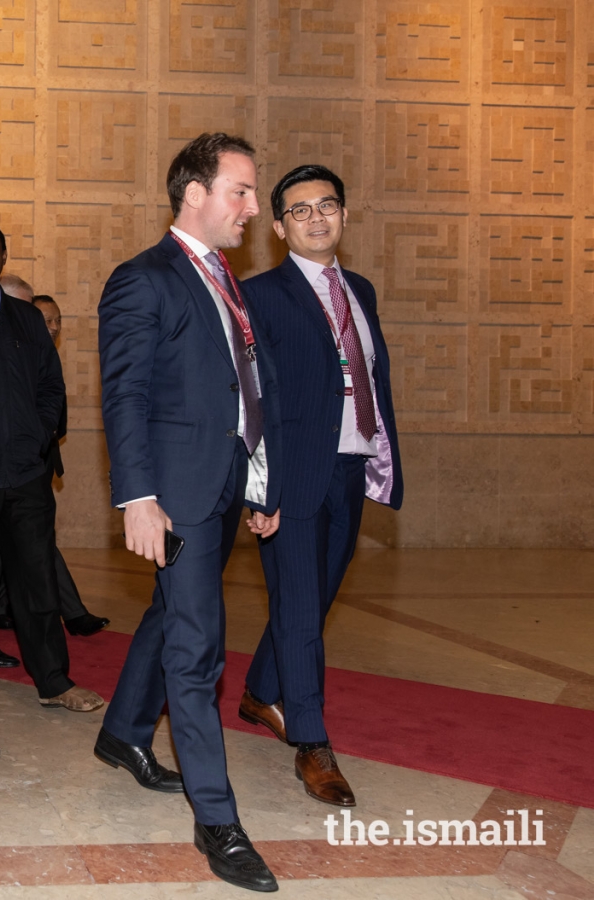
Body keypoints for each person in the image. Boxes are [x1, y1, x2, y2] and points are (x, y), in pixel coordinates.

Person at [95, 133, 284, 893]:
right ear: (195, 194)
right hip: (174, 494)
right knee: (198, 650)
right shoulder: (145, 280)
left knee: (171, 615)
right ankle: (218, 820)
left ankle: (121, 734)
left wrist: (259, 484)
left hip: (222, 483)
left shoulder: (225, 279)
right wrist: (138, 496)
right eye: (240, 191)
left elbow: (245, 389)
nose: (253, 208)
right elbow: (125, 395)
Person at [239, 165, 404, 808]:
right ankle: (312, 742)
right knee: (304, 612)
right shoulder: (263, 295)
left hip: (350, 468)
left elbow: (370, 376)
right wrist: (261, 493)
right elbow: (254, 402)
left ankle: (258, 689)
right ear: (278, 227)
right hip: (292, 478)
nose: (316, 218)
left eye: (327, 206)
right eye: (299, 211)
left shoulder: (359, 289)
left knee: (315, 597)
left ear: (344, 215)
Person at [0, 221, 104, 713]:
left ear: (5, 256)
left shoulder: (28, 320)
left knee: (38, 580)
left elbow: (52, 389)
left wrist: (37, 437)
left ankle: (54, 682)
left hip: (27, 474)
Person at [30, 293, 109, 638]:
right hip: (22, 462)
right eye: (46, 320)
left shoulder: (49, 357)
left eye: (57, 319)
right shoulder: (22, 358)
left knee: (18, 543)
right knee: (37, 538)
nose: (54, 326)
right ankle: (74, 614)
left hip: (42, 460)